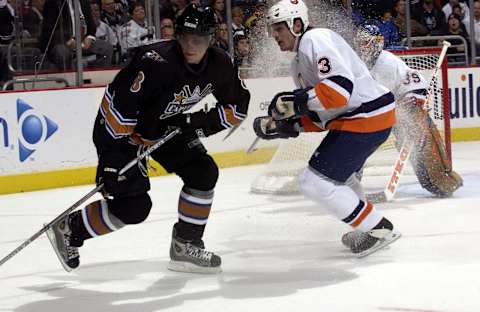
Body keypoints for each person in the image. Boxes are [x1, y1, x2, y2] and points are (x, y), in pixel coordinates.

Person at [46, 4, 250, 273]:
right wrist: (112, 160)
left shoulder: (220, 64)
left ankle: (185, 244)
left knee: (203, 172)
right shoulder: (155, 62)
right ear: (177, 35)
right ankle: (70, 228)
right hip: (122, 131)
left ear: (211, 39)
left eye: (198, 40)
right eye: (185, 38)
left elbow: (237, 108)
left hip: (163, 126)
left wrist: (192, 123)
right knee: (134, 207)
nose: (191, 46)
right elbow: (117, 112)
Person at [253, 0, 400, 257]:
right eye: (271, 30)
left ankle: (377, 229)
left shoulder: (315, 39)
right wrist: (291, 125)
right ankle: (368, 228)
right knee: (342, 178)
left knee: (313, 182)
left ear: (296, 24)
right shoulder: (297, 64)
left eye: (278, 28)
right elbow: (324, 114)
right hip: (361, 119)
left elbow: (339, 91)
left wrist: (295, 102)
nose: (274, 35)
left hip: (365, 117)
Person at [354, 24, 463, 198]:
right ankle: (352, 179)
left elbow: (414, 86)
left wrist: (416, 100)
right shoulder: (362, 65)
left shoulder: (387, 63)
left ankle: (441, 182)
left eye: (366, 43)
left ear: (377, 43)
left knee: (421, 147)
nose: (362, 47)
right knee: (359, 139)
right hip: (386, 109)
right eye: (360, 43)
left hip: (406, 106)